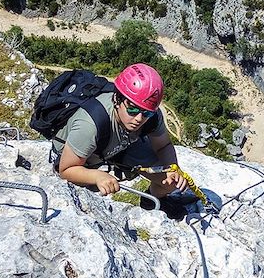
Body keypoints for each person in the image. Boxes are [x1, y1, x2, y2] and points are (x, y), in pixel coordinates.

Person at [50, 63, 189, 202]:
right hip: (86, 154)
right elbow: (66, 170)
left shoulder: (152, 116)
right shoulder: (90, 124)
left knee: (171, 182)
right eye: (133, 109)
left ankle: (152, 204)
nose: (139, 119)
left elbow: (163, 146)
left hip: (120, 144)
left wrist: (172, 168)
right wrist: (97, 176)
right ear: (117, 99)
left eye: (146, 112)